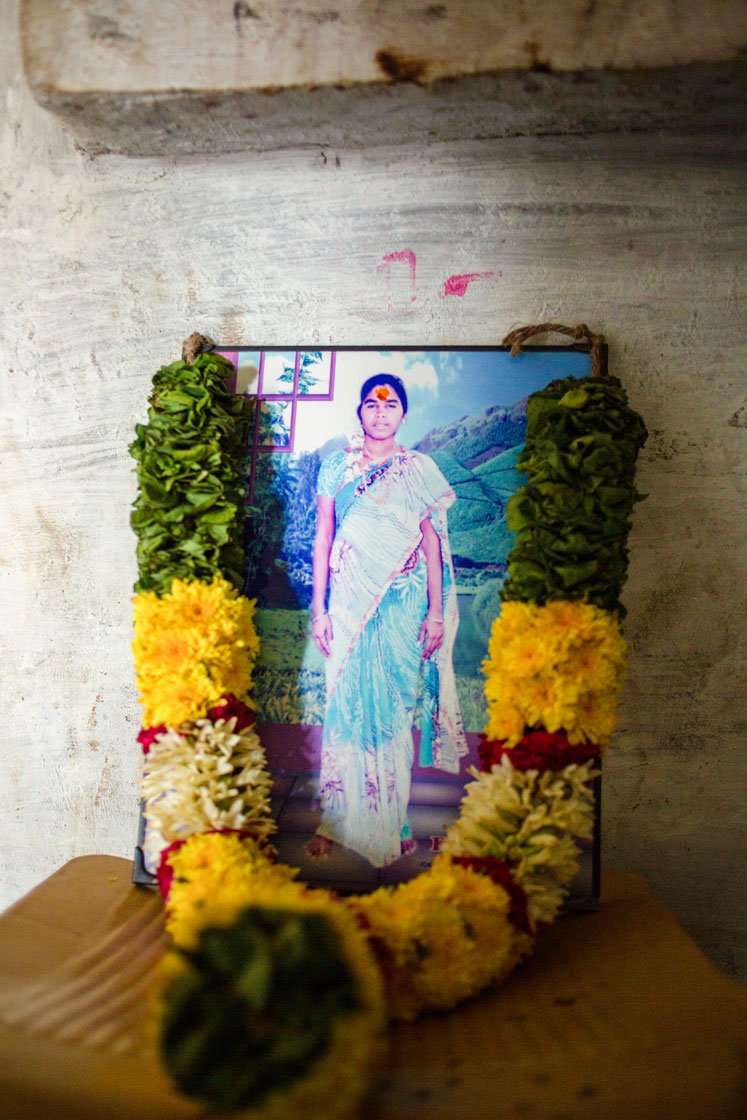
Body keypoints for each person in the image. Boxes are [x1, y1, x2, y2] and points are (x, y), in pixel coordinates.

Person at [308, 373, 467, 867]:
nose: (381, 412)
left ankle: (393, 824)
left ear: (402, 414)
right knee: (344, 709)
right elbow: (323, 538)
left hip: (404, 604)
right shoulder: (336, 467)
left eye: (391, 404)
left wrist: (436, 613)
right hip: (349, 605)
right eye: (372, 405)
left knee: (393, 712)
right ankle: (334, 823)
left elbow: (432, 543)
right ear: (360, 412)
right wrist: (319, 610)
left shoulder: (418, 469)